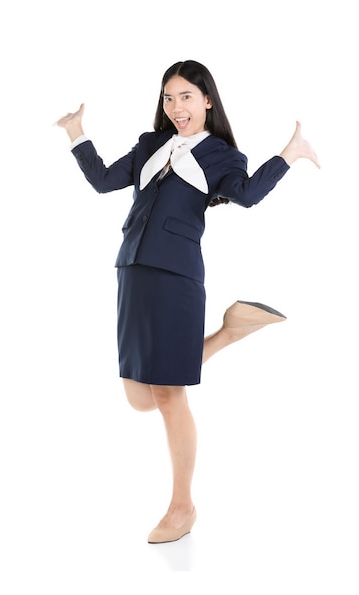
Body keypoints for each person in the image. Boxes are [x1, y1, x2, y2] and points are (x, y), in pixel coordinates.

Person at [56, 60, 320, 544]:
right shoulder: (150, 145)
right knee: (138, 397)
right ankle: (229, 332)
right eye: (168, 98)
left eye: (186, 97)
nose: (176, 107)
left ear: (208, 100)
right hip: (131, 268)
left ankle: (183, 507)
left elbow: (247, 195)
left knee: (168, 393)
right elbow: (102, 182)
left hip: (176, 276)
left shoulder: (220, 155)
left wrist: (288, 153)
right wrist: (77, 134)